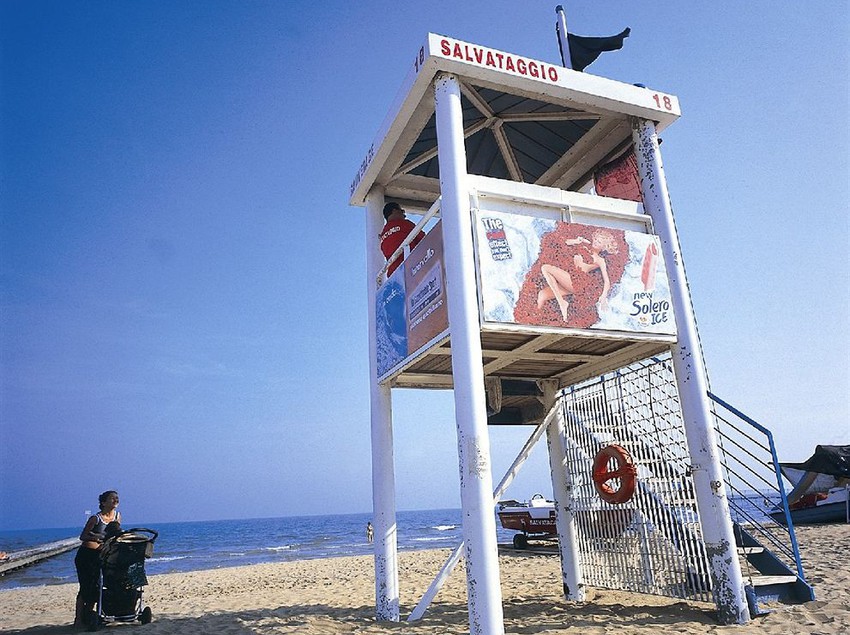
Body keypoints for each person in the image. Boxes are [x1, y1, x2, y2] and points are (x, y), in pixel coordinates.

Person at [74, 490, 121, 628]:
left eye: (116, 498)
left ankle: (88, 614)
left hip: (103, 555)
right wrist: (95, 537)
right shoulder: (95, 518)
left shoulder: (117, 516)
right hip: (87, 555)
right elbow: (82, 536)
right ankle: (78, 619)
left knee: (97, 587)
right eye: (112, 498)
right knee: (85, 587)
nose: (115, 500)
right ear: (103, 502)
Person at [379, 202, 424, 276]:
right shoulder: (405, 224)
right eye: (402, 211)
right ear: (394, 211)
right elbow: (423, 240)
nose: (404, 215)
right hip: (412, 268)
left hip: (394, 276)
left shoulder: (382, 235)